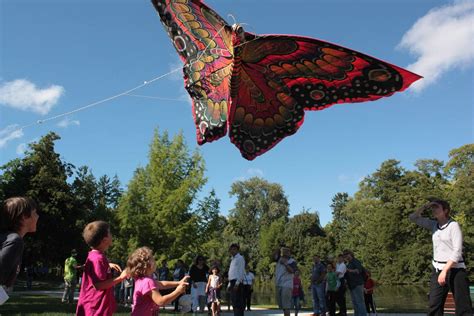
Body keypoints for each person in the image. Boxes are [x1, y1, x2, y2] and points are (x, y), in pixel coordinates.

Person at [409, 198, 473, 315]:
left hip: (455, 270)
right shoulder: (433, 225)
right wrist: (425, 206)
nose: (434, 209)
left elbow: (457, 251)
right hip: (438, 270)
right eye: (433, 207)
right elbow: (413, 218)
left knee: (463, 306)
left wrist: (445, 271)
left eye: (436, 207)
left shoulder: (453, 226)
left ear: (445, 210)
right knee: (434, 305)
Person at [76, 221, 128, 316]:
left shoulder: (94, 256)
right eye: (110, 233)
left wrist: (107, 265)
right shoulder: (98, 259)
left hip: (93, 307)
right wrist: (121, 277)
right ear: (104, 240)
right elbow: (99, 285)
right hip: (95, 309)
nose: (112, 235)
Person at [126, 246, 189, 316]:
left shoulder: (142, 279)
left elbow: (162, 284)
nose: (155, 261)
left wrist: (178, 283)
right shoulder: (148, 281)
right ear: (146, 264)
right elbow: (161, 301)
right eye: (152, 259)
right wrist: (178, 291)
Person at [0, 197, 39, 289]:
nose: (37, 216)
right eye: (35, 213)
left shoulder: (8, 238)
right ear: (24, 216)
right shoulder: (14, 241)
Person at [343, 250, 367, 316]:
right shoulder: (348, 263)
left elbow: (358, 270)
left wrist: (349, 270)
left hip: (358, 284)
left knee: (360, 302)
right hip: (351, 285)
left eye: (346, 254)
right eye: (344, 255)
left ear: (350, 254)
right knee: (355, 302)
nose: (345, 256)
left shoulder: (355, 261)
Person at [275, 247, 297, 316]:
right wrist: (278, 247)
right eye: (283, 251)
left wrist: (285, 263)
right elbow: (273, 255)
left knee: (286, 306)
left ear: (289, 253)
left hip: (287, 285)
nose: (284, 252)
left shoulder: (292, 261)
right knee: (282, 306)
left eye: (287, 251)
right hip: (278, 284)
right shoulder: (279, 259)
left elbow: (292, 271)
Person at [228, 243, 246, 316]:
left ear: (237, 250)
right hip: (232, 281)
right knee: (234, 302)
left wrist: (237, 283)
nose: (232, 251)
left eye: (234, 249)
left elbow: (241, 271)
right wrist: (229, 284)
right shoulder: (232, 259)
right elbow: (232, 272)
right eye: (231, 249)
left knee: (238, 302)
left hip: (237, 282)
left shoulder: (240, 258)